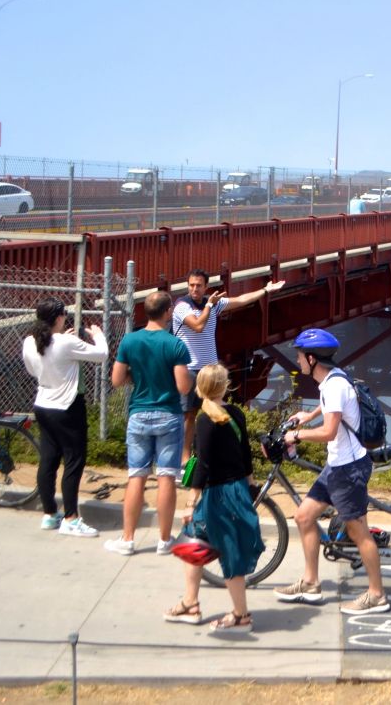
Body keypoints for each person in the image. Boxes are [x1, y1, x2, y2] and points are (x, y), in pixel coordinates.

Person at [273, 328, 389, 615]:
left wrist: (297, 436)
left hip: (349, 469)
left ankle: (377, 595)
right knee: (303, 516)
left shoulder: (333, 386)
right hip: (337, 466)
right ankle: (311, 583)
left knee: (358, 530)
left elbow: (329, 431)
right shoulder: (332, 379)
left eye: (300, 356)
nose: (298, 361)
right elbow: (332, 411)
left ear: (312, 358)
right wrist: (307, 415)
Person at [164, 364, 264, 633]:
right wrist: (252, 484)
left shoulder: (205, 420)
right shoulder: (235, 413)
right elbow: (245, 454)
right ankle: (190, 603)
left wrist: (191, 500)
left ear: (200, 388)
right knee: (193, 542)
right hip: (236, 489)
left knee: (228, 552)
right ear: (224, 386)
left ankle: (241, 616)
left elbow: (203, 464)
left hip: (218, 495)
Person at [104, 291, 192, 556]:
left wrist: (138, 376)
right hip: (168, 414)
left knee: (136, 476)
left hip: (139, 413)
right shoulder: (175, 344)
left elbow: (117, 380)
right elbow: (183, 387)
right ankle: (165, 540)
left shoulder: (130, 340)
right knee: (167, 476)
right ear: (167, 313)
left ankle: (128, 538)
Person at [21, 297, 109, 537]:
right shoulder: (66, 341)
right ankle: (71, 517)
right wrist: (98, 334)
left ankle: (50, 514)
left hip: (43, 404)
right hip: (68, 407)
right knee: (73, 460)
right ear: (59, 318)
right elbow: (102, 354)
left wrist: (67, 342)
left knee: (48, 459)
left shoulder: (30, 341)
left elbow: (34, 368)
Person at [172, 270, 283, 455]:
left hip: (211, 370)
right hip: (189, 369)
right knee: (188, 415)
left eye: (199, 285)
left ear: (206, 286)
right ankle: (184, 460)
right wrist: (209, 305)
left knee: (214, 412)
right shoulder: (182, 306)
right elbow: (198, 326)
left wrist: (265, 290)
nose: (194, 289)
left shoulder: (213, 304)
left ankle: (209, 456)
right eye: (191, 285)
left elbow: (240, 300)